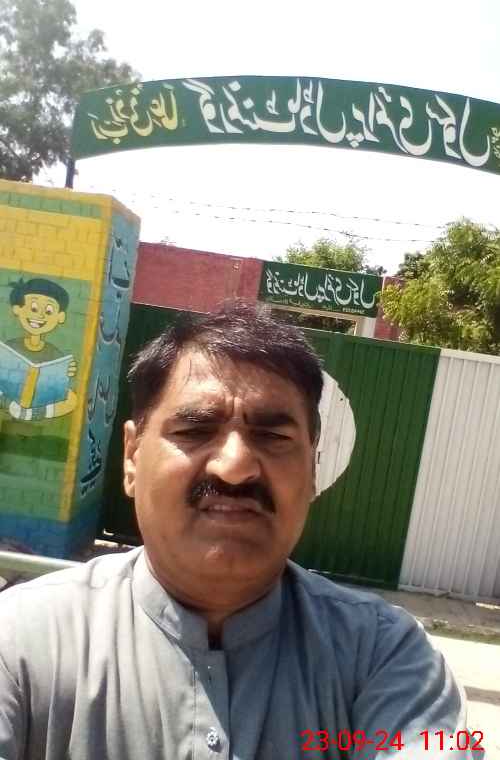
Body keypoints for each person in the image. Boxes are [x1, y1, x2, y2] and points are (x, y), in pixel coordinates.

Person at [0, 302, 480, 759]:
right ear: (132, 457)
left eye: (272, 436)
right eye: (194, 430)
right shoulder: (20, 639)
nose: (234, 467)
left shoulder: (387, 656)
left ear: (313, 470)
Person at [0, 277, 77, 420]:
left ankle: (30, 413)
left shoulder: (54, 353)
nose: (40, 315)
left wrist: (67, 372)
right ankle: (11, 405)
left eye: (48, 311)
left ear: (60, 316)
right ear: (17, 309)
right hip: (8, 391)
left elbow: (58, 384)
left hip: (41, 397)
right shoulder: (11, 346)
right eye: (34, 308)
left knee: (72, 398)